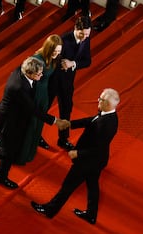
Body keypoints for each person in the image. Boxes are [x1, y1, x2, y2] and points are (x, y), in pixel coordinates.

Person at [31, 88, 120, 225]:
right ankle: (91, 214)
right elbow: (91, 121)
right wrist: (70, 124)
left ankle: (50, 210)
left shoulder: (106, 124)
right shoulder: (109, 116)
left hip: (89, 161)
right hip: (97, 161)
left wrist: (78, 153)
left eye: (101, 99)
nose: (98, 100)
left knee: (68, 185)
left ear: (108, 104)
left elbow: (98, 148)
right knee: (92, 186)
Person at [0, 57, 70, 190]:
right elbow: (33, 109)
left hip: (13, 118)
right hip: (8, 122)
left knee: (9, 151)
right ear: (29, 74)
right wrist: (56, 121)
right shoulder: (19, 87)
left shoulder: (21, 70)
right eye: (39, 74)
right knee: (7, 152)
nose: (42, 75)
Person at [17, 35, 63, 163]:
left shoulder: (53, 59)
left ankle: (31, 150)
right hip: (34, 94)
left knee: (38, 124)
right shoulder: (37, 60)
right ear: (48, 49)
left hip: (44, 95)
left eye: (59, 52)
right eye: (55, 52)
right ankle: (22, 153)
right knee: (31, 124)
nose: (57, 54)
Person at [51, 16, 92, 151]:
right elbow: (53, 59)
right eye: (82, 34)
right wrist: (62, 63)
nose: (85, 37)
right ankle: (35, 136)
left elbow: (87, 61)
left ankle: (63, 139)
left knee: (66, 109)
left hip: (68, 81)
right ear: (76, 29)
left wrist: (73, 63)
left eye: (87, 34)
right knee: (42, 109)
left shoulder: (86, 39)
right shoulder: (63, 40)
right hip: (53, 80)